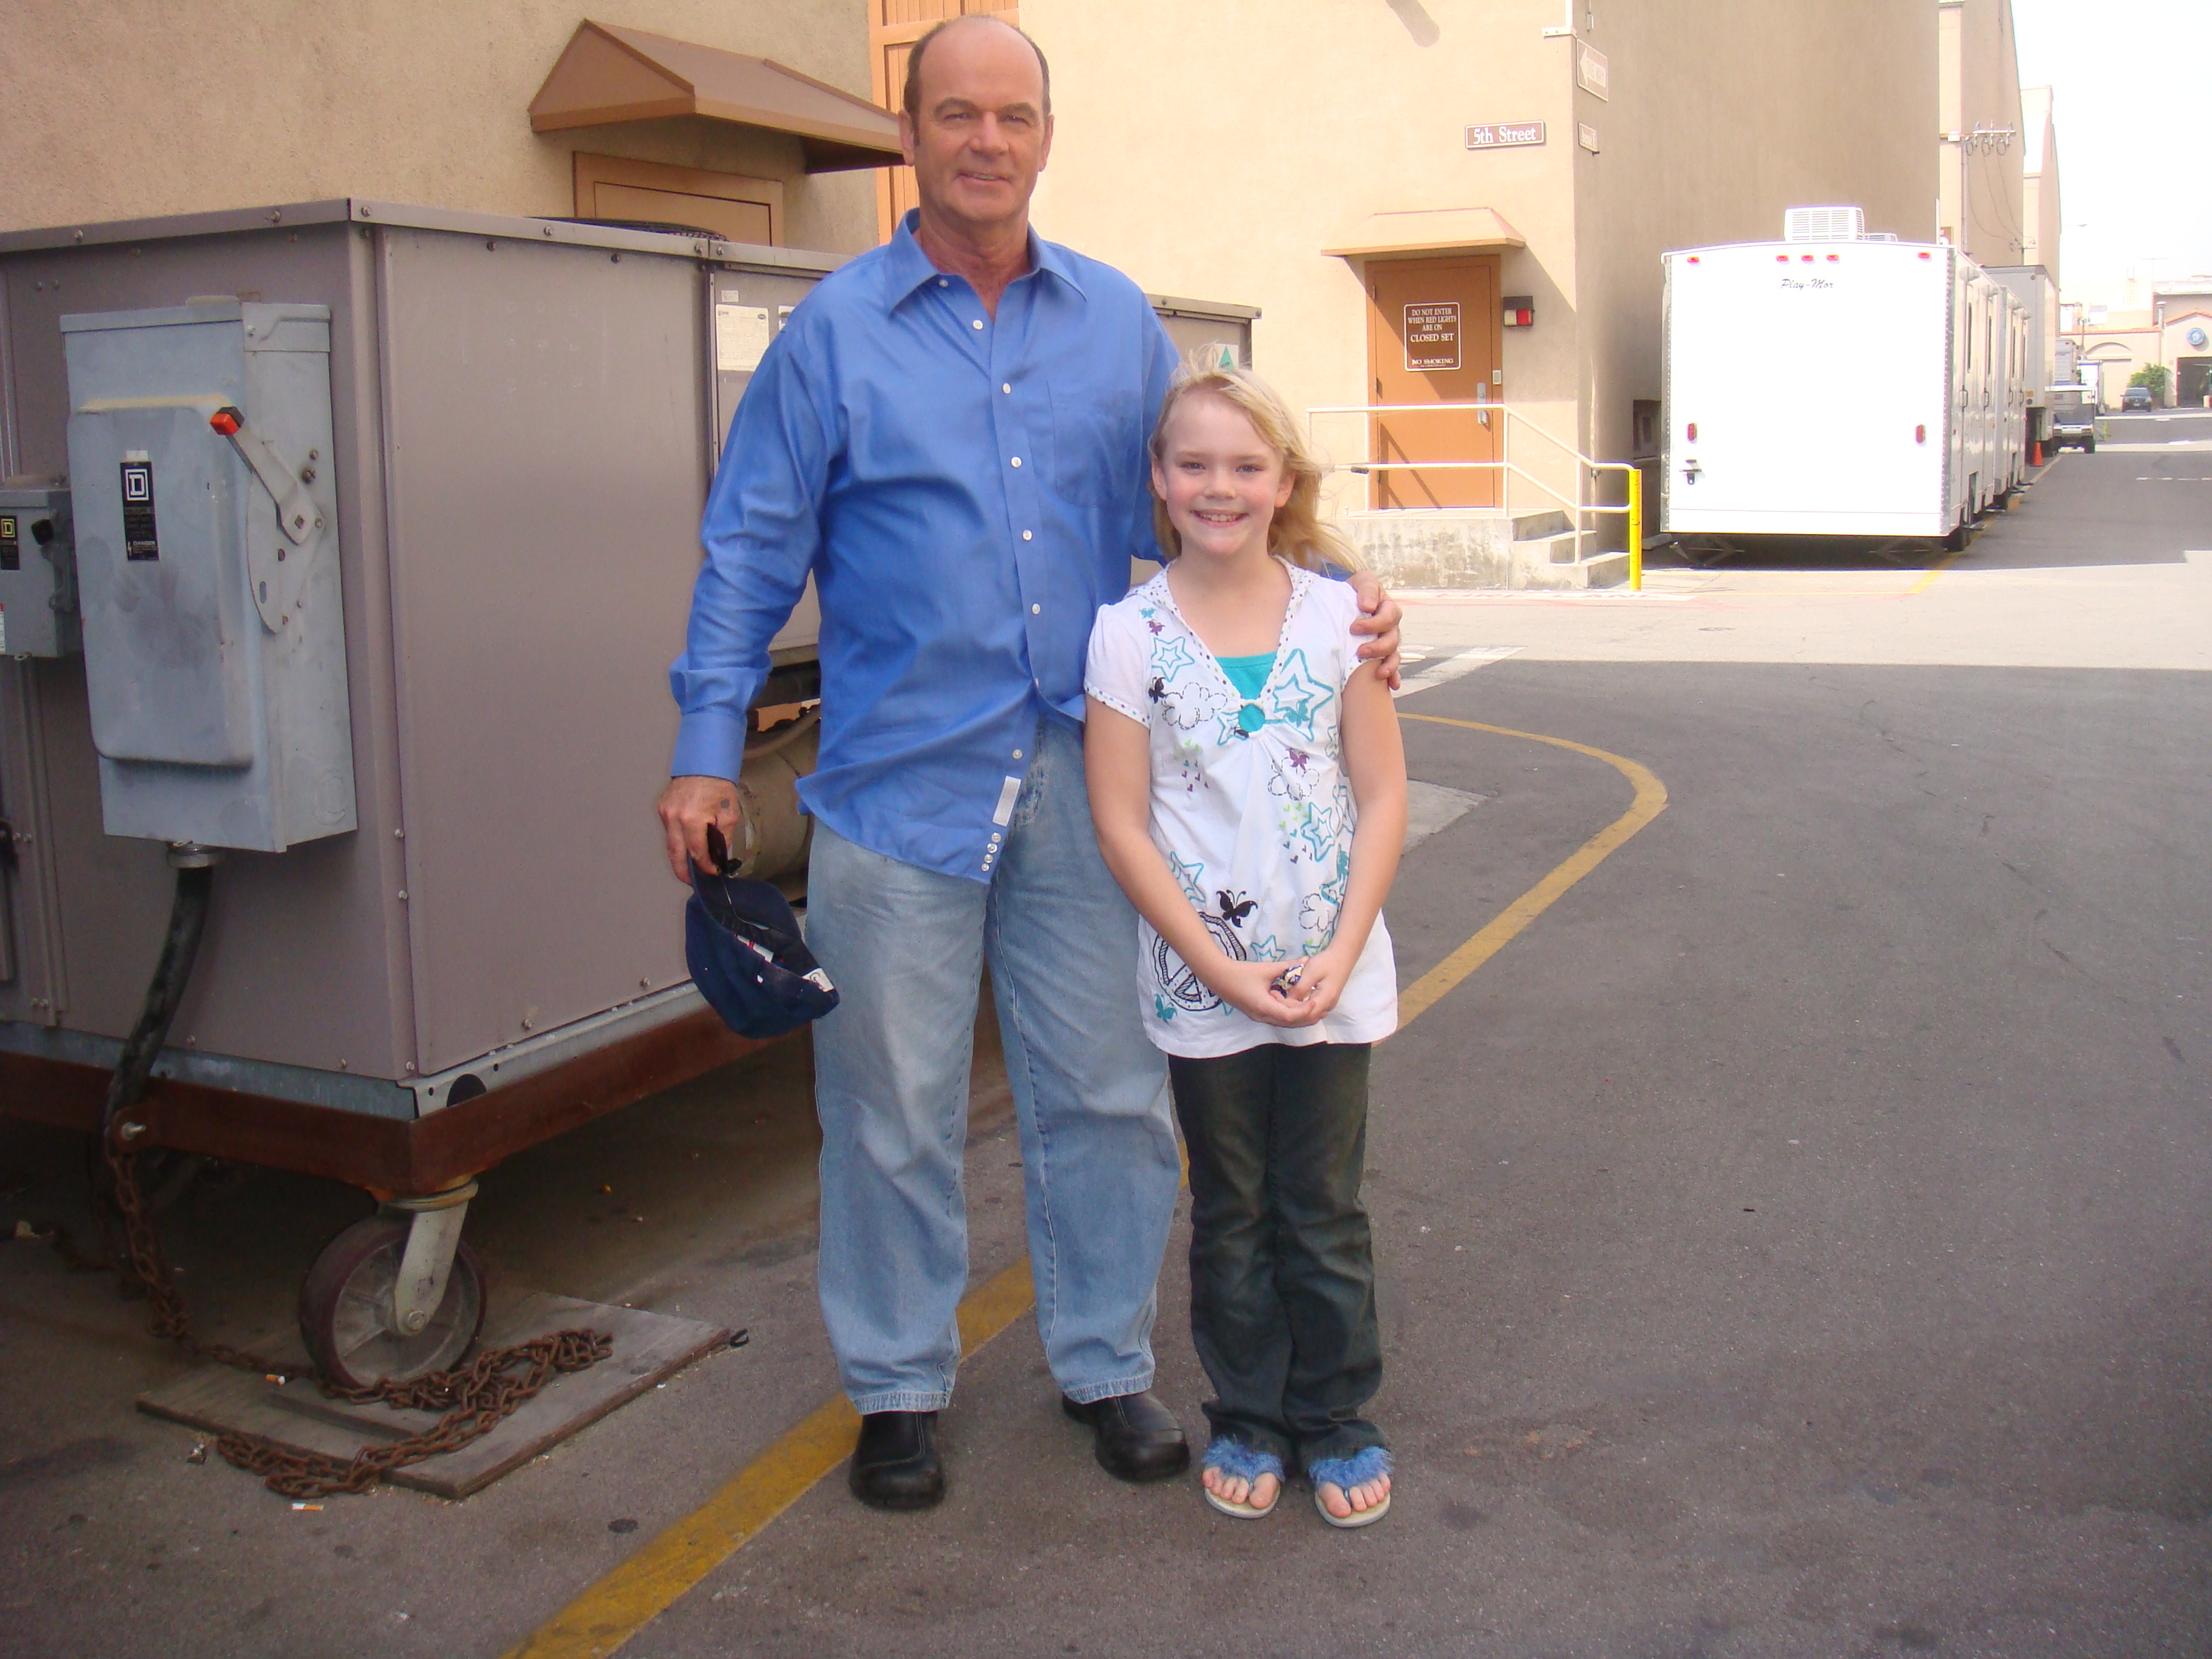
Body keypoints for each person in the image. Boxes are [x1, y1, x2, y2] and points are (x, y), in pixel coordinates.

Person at [655, 14, 1404, 1511]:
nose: (985, 139)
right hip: (893, 783)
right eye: (955, 114)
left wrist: (1342, 599)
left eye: (1013, 115)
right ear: (913, 133)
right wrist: (705, 749)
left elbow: (1208, 498)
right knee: (888, 1107)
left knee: (1112, 1097)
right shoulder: (834, 333)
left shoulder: (1116, 323)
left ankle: (1105, 1365)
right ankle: (897, 1387)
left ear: (1045, 136)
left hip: (1095, 779)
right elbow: (751, 546)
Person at [1084, 354, 1406, 1528]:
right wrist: (1219, 970)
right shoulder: (1130, 636)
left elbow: (1382, 794)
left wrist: (1343, 949)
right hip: (1203, 979)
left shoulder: (1339, 618)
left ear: (1283, 484)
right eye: (1194, 465)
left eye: (1245, 466)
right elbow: (1123, 823)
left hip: (1335, 972)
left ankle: (1336, 1417)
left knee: (1321, 1206)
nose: (1219, 487)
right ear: (1160, 483)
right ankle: (1253, 1417)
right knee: (1232, 1207)